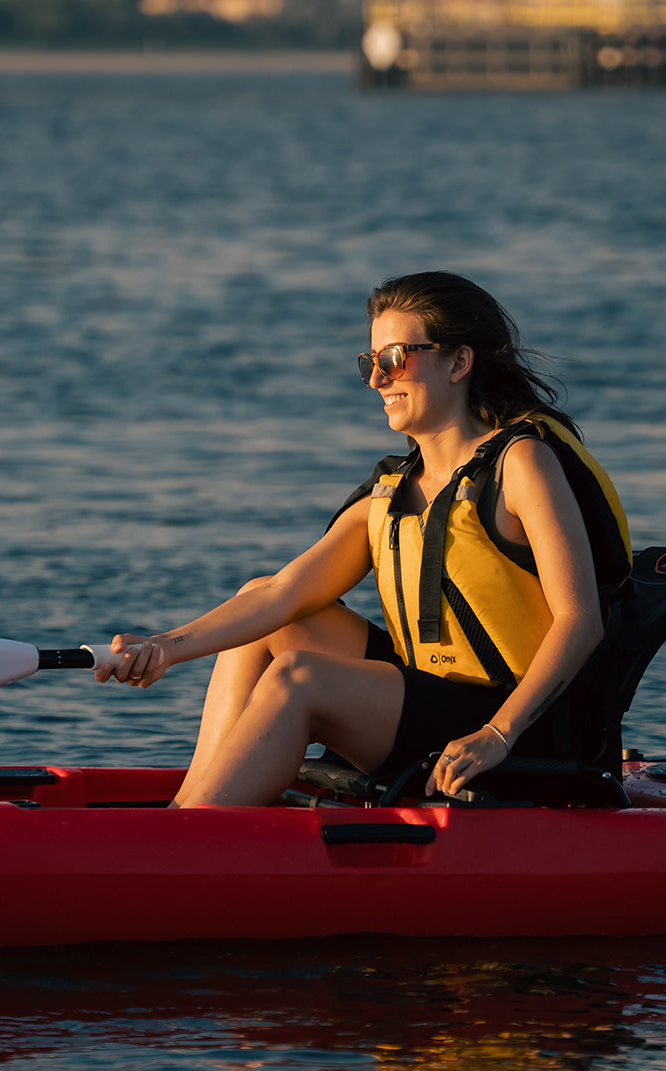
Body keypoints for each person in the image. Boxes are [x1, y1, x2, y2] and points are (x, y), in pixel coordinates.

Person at [94, 271, 631, 807]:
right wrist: (163, 646)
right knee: (265, 604)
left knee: (299, 677)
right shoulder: (392, 490)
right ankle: (188, 812)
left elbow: (579, 622)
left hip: (523, 730)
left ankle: (191, 840)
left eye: (395, 358)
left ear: (459, 363)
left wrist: (498, 733)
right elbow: (281, 597)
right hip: (430, 704)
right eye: (369, 362)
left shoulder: (522, 464)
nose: (377, 379)